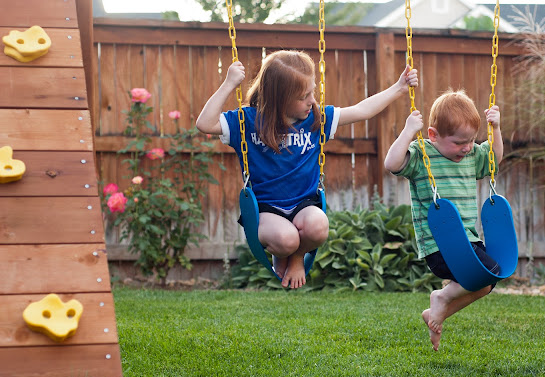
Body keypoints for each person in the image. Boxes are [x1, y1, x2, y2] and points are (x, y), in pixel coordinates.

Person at [197, 50, 418, 289]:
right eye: (304, 96)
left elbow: (362, 110)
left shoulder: (315, 119)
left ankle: (296, 257)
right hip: (266, 210)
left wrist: (399, 87)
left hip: (304, 204)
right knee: (286, 239)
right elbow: (205, 124)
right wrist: (229, 84)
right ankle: (286, 251)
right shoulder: (248, 122)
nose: (312, 100)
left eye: (312, 92)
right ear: (280, 99)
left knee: (319, 226)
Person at [384, 89, 503, 351]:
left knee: (487, 282)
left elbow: (494, 159)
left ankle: (437, 312)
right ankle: (440, 298)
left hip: (469, 241)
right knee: (490, 271)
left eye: (471, 140)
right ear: (433, 135)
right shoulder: (422, 155)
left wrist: (495, 128)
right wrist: (408, 131)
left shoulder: (471, 156)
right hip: (440, 246)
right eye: (459, 142)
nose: (467, 147)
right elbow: (392, 164)